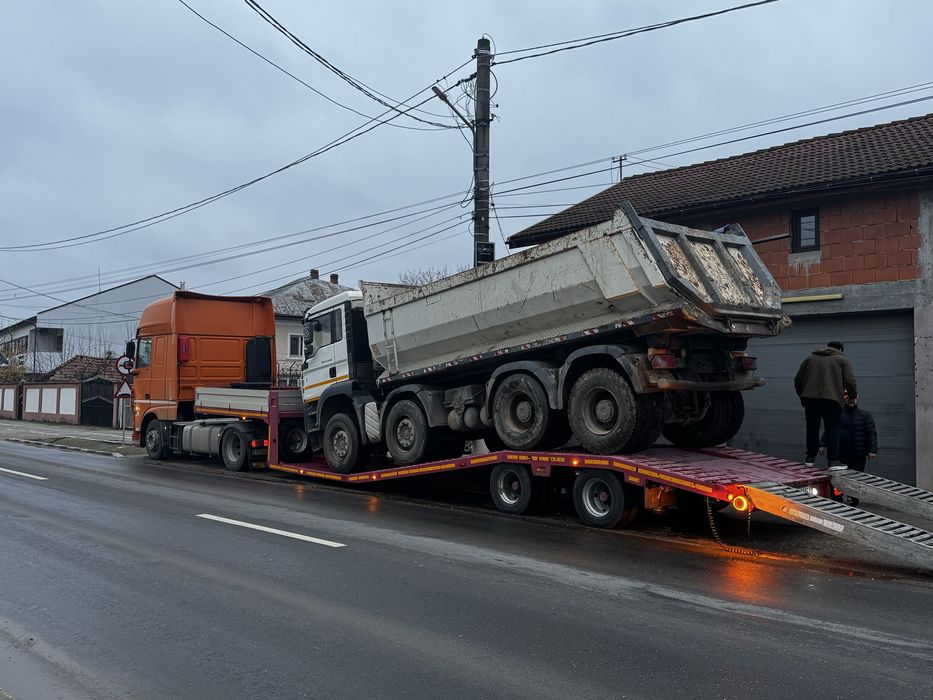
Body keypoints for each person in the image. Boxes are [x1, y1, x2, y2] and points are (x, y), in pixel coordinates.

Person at [794, 340, 858, 470]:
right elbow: (850, 381)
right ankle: (833, 461)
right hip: (831, 400)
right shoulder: (842, 360)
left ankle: (810, 458)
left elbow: (798, 379)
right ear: (840, 350)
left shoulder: (810, 358)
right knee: (833, 429)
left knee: (812, 428)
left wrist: (802, 395)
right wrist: (852, 397)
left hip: (810, 399)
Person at [821, 394, 878, 472]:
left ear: (857, 399)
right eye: (848, 398)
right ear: (844, 399)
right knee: (837, 479)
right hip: (839, 454)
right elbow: (830, 430)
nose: (851, 400)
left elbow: (871, 433)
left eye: (853, 398)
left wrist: (872, 450)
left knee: (856, 478)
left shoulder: (865, 415)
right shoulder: (837, 414)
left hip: (858, 455)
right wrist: (822, 444)